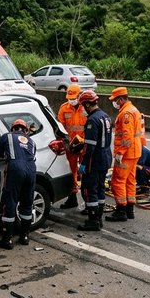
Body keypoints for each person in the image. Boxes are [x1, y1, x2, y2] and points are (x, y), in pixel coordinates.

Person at [0, 119, 36, 249]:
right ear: (25, 130)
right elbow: (32, 156)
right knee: (27, 201)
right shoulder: (32, 141)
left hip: (15, 168)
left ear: (13, 128)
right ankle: (24, 236)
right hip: (31, 169)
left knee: (10, 201)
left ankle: (7, 239)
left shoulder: (7, 137)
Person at [75, 90, 113, 231]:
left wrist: (84, 163)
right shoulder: (105, 116)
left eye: (82, 106)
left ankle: (93, 221)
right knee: (100, 188)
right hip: (106, 157)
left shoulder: (92, 120)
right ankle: (99, 218)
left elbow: (90, 146)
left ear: (86, 104)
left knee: (90, 189)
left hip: (95, 159)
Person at [106, 87, 142, 222]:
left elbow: (127, 136)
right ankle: (129, 210)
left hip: (126, 153)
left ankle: (121, 210)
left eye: (115, 100)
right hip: (134, 152)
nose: (114, 103)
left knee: (118, 181)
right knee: (130, 181)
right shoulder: (133, 109)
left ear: (121, 99)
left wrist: (120, 152)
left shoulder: (126, 113)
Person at [57, 84, 87, 209]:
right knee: (71, 172)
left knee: (86, 172)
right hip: (71, 146)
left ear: (80, 96)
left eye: (74, 97)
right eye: (69, 98)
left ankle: (88, 201)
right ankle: (72, 197)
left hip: (84, 145)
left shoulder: (86, 108)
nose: (71, 100)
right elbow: (60, 128)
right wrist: (66, 142)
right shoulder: (64, 108)